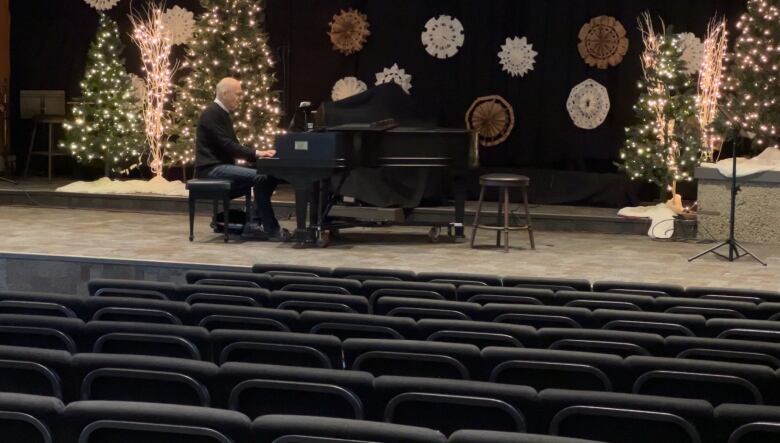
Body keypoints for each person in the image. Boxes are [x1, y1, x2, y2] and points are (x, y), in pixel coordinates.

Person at [195, 77, 288, 241]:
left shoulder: (221, 113)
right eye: (237, 94)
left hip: (220, 166)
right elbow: (227, 145)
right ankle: (268, 228)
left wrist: (257, 157)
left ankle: (257, 223)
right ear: (225, 93)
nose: (240, 98)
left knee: (268, 174)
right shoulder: (211, 113)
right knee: (262, 177)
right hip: (211, 168)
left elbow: (231, 145)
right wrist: (257, 153)